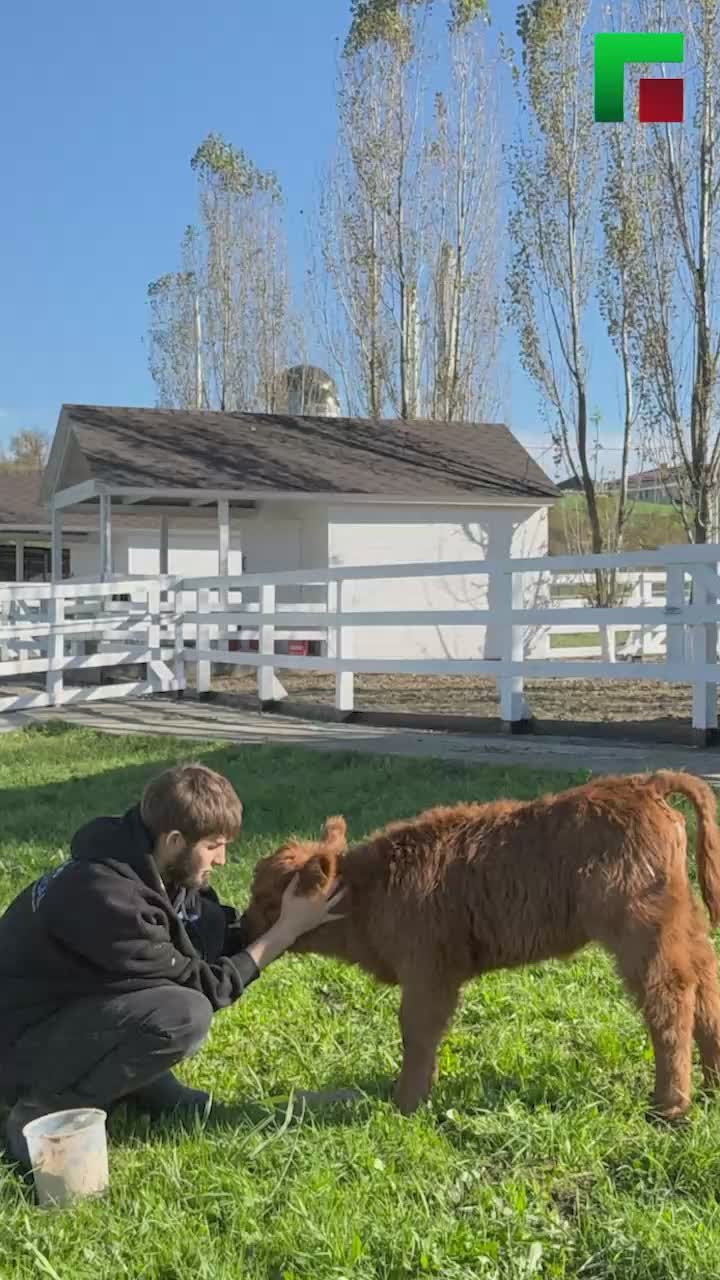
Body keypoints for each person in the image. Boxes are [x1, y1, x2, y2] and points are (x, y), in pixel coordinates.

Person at [0, 762, 344, 1170]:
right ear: (175, 840)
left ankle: (141, 1085)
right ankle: (44, 1109)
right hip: (16, 1048)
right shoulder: (110, 898)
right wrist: (285, 932)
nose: (222, 859)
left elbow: (208, 937)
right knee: (182, 1014)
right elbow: (206, 988)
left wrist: (285, 911)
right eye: (214, 845)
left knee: (168, 999)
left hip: (65, 1014)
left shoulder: (154, 866)